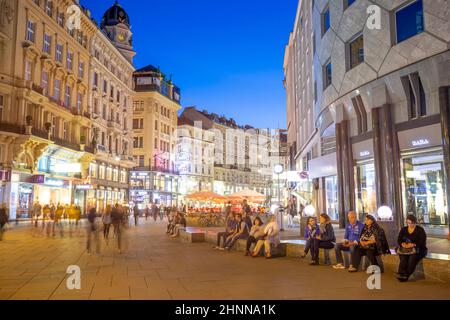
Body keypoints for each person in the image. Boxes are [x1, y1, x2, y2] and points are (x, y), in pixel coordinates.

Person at [396, 215, 427, 282]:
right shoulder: (404, 229)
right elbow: (399, 239)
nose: (410, 224)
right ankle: (401, 273)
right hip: (405, 249)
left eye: (411, 223)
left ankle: (406, 274)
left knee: (411, 259)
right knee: (403, 258)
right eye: (408, 223)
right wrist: (402, 244)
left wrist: (413, 244)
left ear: (415, 222)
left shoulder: (420, 230)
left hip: (417, 249)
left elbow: (422, 241)